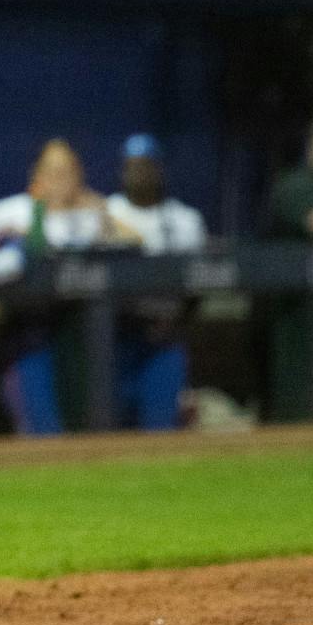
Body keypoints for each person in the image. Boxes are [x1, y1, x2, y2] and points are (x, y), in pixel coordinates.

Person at [0, 139, 114, 436]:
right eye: (52, 171)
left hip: (83, 334)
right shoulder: (14, 210)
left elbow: (134, 246)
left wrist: (103, 214)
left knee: (89, 428)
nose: (59, 179)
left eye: (67, 171)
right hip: (29, 332)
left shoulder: (93, 214)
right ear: (37, 175)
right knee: (43, 430)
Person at [104, 133, 203, 431]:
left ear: (159, 169)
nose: (140, 173)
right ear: (122, 171)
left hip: (166, 335)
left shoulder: (185, 219)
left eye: (147, 166)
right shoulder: (107, 212)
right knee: (112, 425)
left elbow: (199, 285)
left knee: (160, 427)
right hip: (117, 336)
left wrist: (176, 321)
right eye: (133, 166)